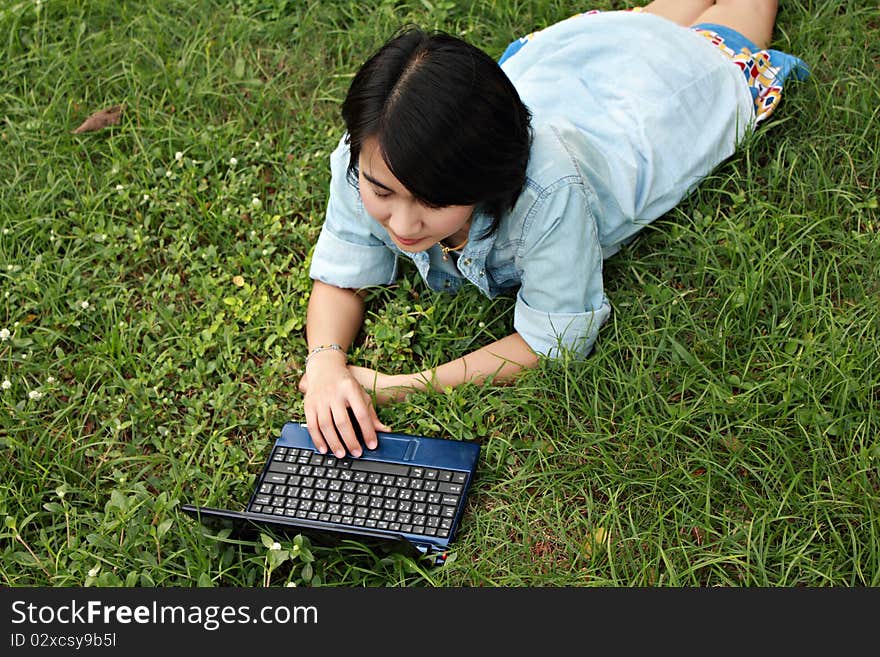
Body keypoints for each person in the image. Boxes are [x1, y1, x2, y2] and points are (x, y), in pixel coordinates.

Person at [298, 0, 808, 458]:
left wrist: (406, 383)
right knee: (638, 24)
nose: (404, 225)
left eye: (435, 200)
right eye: (383, 193)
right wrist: (324, 363)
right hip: (576, 62)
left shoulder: (547, 191)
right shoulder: (369, 154)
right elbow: (340, 275)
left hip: (654, 99)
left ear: (486, 174)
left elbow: (552, 340)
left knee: (735, 21)